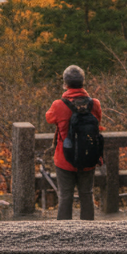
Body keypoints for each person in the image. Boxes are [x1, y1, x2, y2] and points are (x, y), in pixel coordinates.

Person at [45, 65, 103, 220]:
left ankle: (64, 232)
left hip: (65, 157)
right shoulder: (94, 104)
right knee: (87, 194)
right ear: (83, 83)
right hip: (88, 155)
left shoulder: (58, 105)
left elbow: (49, 118)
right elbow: (98, 121)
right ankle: (88, 230)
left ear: (65, 84)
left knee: (65, 196)